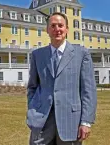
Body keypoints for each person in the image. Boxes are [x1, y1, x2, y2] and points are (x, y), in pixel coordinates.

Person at [26, 12, 97, 145]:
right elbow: (32, 87)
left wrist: (86, 121)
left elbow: (88, 91)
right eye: (52, 26)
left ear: (67, 29)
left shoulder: (81, 54)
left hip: (71, 122)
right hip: (42, 121)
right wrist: (32, 109)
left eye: (60, 25)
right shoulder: (37, 55)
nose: (57, 29)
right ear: (47, 30)